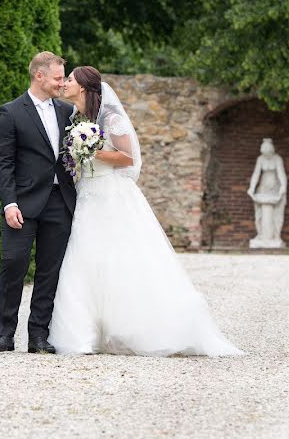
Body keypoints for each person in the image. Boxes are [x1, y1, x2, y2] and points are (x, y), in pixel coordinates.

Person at [48, 66, 241, 356]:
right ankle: (83, 335)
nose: (65, 83)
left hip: (111, 195)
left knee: (121, 260)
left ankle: (131, 330)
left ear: (84, 87)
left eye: (70, 80)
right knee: (84, 259)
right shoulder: (75, 119)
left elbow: (128, 158)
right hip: (86, 196)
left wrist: (91, 150)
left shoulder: (111, 118)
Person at [0, 52, 76, 354]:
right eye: (57, 78)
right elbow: (4, 163)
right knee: (13, 264)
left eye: (63, 78)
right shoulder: (11, 112)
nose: (62, 84)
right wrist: (9, 203)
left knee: (49, 271)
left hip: (59, 201)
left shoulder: (67, 113)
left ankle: (39, 334)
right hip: (22, 204)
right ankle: (5, 333)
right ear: (39, 76)